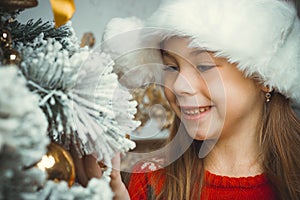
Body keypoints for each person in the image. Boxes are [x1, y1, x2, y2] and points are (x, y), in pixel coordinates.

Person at [79, 0, 300, 199]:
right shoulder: (147, 183)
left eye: (204, 66)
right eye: (171, 67)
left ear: (264, 77)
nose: (178, 86)